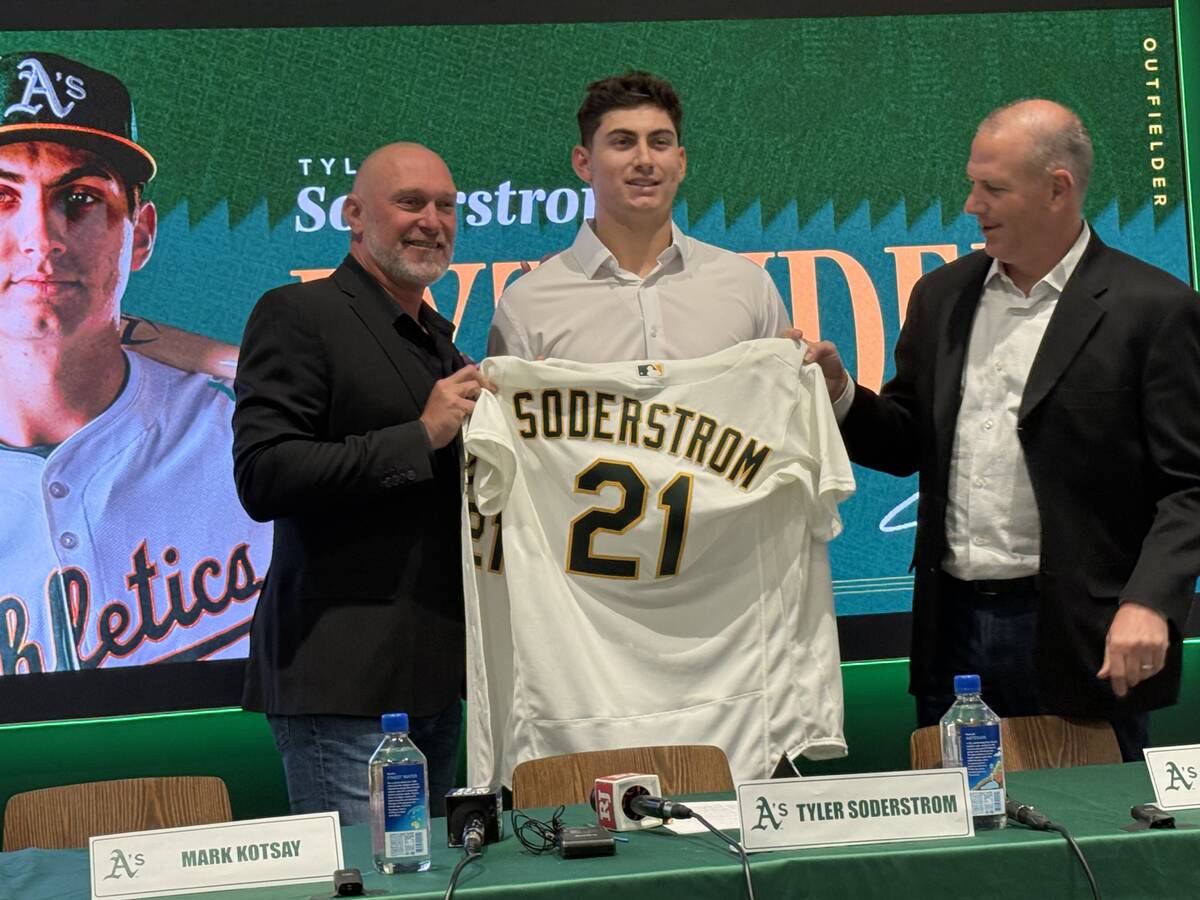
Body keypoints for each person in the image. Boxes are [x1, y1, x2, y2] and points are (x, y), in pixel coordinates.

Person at [806, 99, 1200, 759]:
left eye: (992, 188)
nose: (970, 204)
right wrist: (841, 394)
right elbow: (907, 442)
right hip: (951, 631)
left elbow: (1189, 486)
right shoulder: (942, 297)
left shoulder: (1154, 309)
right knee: (966, 844)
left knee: (1093, 837)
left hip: (1085, 636)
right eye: (972, 183)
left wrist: (1151, 602)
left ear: (1057, 190)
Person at [232, 142, 486, 823]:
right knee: (374, 886)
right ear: (353, 214)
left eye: (446, 206)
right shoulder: (298, 315)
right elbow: (264, 475)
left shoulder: (439, 343)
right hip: (341, 686)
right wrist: (420, 436)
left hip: (434, 681)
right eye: (409, 202)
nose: (432, 221)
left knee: (424, 882)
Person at [0, 50, 272, 675]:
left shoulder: (247, 439)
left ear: (141, 234)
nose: (41, 237)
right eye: (2, 196)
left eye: (80, 197)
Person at [487, 70, 790, 362]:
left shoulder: (749, 287)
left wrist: (837, 393)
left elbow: (787, 407)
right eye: (623, 142)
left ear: (681, 162)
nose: (645, 159)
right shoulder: (527, 304)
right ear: (583, 163)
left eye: (660, 142)